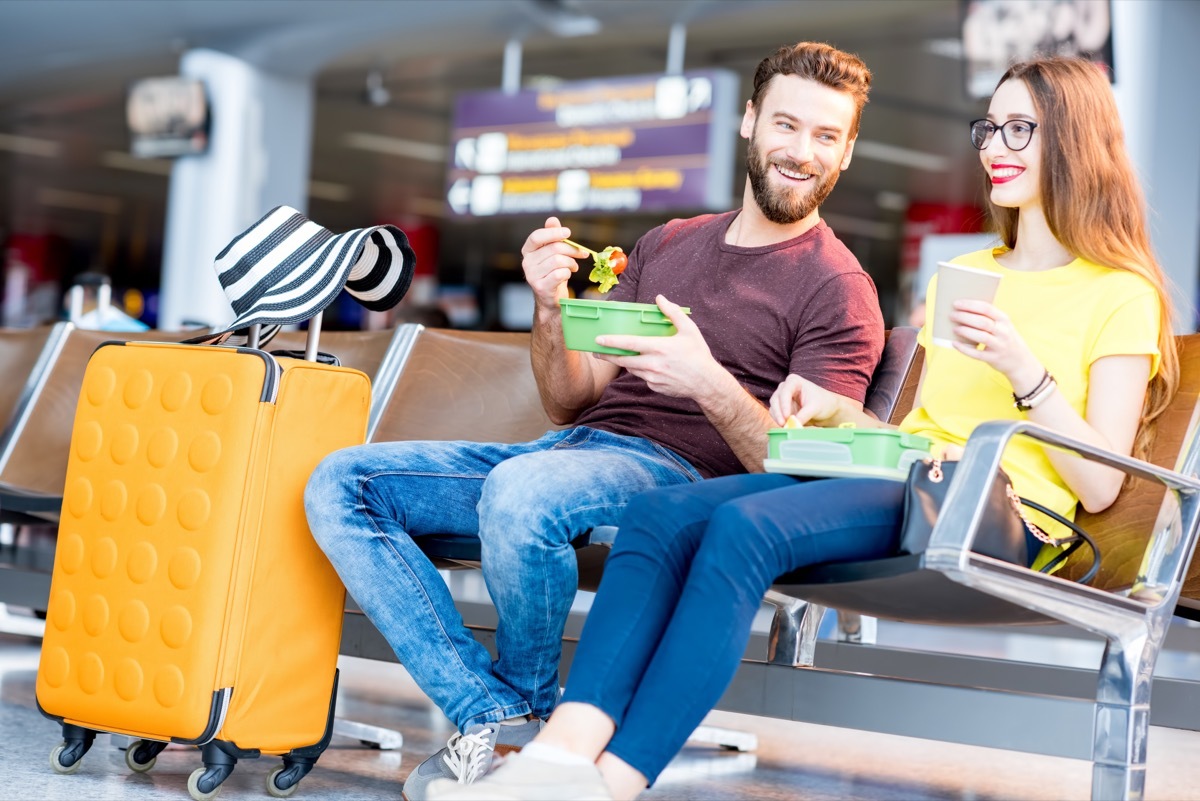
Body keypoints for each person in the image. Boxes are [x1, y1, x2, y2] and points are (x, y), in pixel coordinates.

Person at [428, 55, 1179, 801]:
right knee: (659, 516)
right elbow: (922, 425)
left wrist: (1025, 370)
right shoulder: (969, 270)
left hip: (1004, 510)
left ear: (1075, 141)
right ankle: (560, 757)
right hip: (916, 479)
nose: (994, 147)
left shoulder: (1118, 293)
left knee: (743, 533)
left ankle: (612, 782)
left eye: (1023, 128)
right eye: (991, 125)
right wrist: (837, 413)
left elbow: (1101, 478)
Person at [304, 41, 884, 800]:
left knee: (523, 492)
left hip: (681, 480)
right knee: (340, 482)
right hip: (572, 448)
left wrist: (708, 382)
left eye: (825, 136)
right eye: (787, 125)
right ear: (749, 122)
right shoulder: (668, 244)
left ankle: (526, 740)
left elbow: (806, 469)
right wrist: (551, 308)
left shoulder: (837, 288)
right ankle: (501, 716)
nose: (802, 152)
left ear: (846, 151)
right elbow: (570, 399)